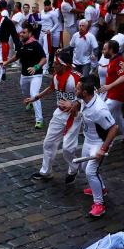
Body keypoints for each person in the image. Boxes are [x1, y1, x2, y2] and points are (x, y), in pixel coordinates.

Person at [27, 49, 81, 181]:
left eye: (56, 63)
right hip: (59, 113)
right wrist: (36, 97)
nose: (53, 66)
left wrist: (75, 104)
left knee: (68, 148)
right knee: (48, 143)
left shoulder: (75, 78)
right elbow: (52, 88)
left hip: (73, 116)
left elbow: (89, 94)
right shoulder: (56, 76)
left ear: (63, 65)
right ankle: (46, 172)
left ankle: (73, 169)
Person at [78, 76, 119, 217]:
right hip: (89, 139)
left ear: (84, 92)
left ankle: (99, 204)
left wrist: (103, 149)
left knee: (90, 171)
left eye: (78, 88)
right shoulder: (85, 99)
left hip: (100, 142)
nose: (75, 90)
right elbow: (79, 105)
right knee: (84, 167)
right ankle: (100, 188)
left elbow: (114, 128)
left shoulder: (99, 109)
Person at [4, 24, 46, 129]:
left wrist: (36, 67)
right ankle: (30, 102)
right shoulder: (22, 44)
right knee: (25, 92)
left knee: (34, 94)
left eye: (24, 32)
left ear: (30, 33)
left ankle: (39, 120)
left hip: (36, 75)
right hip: (24, 75)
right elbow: (17, 56)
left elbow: (44, 59)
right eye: (21, 32)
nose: (21, 34)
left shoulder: (36, 45)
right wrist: (6, 63)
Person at [98, 40, 124, 144]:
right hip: (113, 94)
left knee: (101, 112)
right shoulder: (113, 60)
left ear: (111, 50)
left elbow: (123, 77)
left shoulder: (118, 61)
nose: (102, 51)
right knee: (118, 118)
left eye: (104, 49)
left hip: (117, 95)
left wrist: (109, 86)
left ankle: (102, 139)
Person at [39, 0, 60, 74]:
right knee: (40, 50)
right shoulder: (42, 11)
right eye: (44, 5)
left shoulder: (53, 13)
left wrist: (50, 31)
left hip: (47, 34)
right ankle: (40, 66)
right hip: (41, 32)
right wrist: (36, 22)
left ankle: (45, 69)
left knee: (46, 51)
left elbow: (57, 24)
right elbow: (42, 22)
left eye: (47, 6)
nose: (45, 7)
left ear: (50, 5)